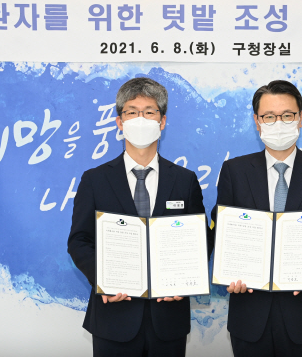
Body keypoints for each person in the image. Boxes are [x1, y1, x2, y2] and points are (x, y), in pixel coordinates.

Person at [68, 77, 209, 357]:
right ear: (119, 122)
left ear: (162, 121)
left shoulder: (185, 180)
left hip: (168, 317)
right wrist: (103, 280)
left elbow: (201, 239)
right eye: (131, 112)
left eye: (149, 112)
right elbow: (80, 241)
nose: (140, 119)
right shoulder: (95, 180)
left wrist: (185, 280)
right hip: (113, 317)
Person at [211, 80, 302, 357]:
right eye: (269, 117)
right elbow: (222, 229)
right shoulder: (234, 171)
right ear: (257, 121)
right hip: (250, 313)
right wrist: (229, 270)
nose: (279, 123)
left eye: (287, 115)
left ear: (300, 118)